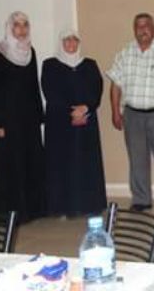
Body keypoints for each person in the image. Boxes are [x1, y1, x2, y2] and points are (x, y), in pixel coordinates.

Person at [107, 13, 154, 213]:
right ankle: (141, 199)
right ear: (134, 30)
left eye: (146, 25)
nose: (143, 30)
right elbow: (115, 84)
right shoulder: (124, 54)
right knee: (137, 159)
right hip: (132, 115)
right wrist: (115, 111)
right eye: (138, 26)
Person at [0, 11, 46, 224]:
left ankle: (32, 211)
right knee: (10, 167)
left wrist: (39, 116)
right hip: (7, 122)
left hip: (28, 120)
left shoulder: (30, 52)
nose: (21, 29)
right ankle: (7, 215)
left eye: (25, 25)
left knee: (30, 163)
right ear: (10, 28)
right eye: (17, 25)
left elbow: (33, 85)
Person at [41, 29, 107, 218]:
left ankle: (88, 205)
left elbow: (97, 90)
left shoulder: (89, 64)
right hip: (60, 123)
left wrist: (85, 108)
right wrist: (71, 112)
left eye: (74, 40)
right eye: (67, 40)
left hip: (86, 121)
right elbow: (50, 91)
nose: (71, 44)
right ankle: (61, 207)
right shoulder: (50, 65)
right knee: (62, 164)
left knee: (86, 163)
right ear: (61, 43)